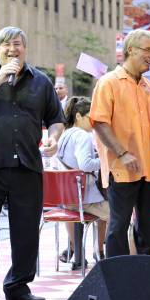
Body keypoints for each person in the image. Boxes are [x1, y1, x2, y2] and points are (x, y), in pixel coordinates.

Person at [0, 26, 65, 300]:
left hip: (27, 166)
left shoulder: (40, 81)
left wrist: (54, 138)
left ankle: (18, 286)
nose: (12, 50)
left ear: (24, 48)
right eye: (6, 45)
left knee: (26, 229)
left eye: (17, 44)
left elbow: (56, 118)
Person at [90, 29, 150, 258]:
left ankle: (147, 280)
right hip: (121, 168)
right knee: (118, 227)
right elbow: (99, 122)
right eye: (147, 50)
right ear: (130, 50)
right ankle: (117, 281)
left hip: (149, 169)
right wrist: (121, 153)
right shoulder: (109, 82)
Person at [56, 97, 109, 269]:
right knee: (122, 217)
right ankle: (108, 255)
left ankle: (78, 251)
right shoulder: (83, 136)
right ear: (79, 116)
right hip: (84, 198)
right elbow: (85, 165)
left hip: (67, 198)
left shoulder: (65, 134)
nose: (93, 121)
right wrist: (105, 161)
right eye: (90, 117)